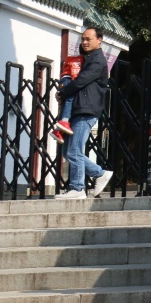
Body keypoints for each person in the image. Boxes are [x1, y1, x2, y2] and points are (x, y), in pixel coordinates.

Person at [55, 27, 114, 199]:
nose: (85, 42)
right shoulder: (86, 58)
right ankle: (100, 173)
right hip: (79, 108)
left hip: (86, 110)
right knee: (67, 151)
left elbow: (81, 80)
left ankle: (77, 188)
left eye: (89, 39)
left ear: (99, 40)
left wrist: (63, 92)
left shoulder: (98, 60)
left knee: (74, 150)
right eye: (83, 39)